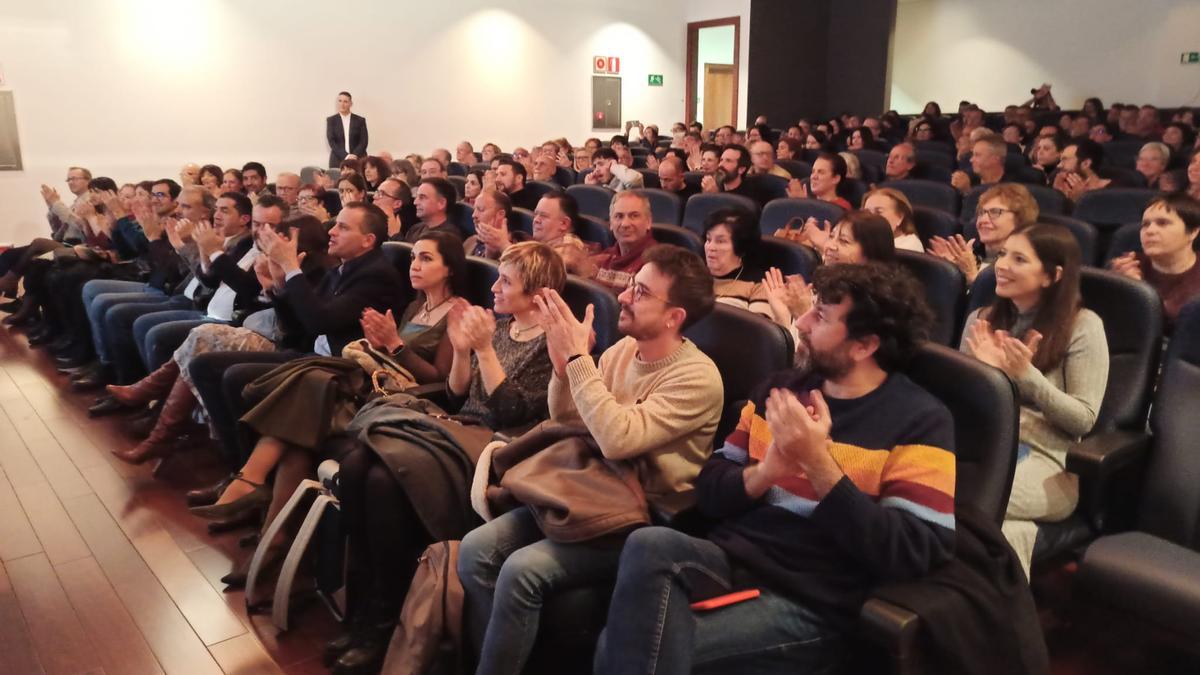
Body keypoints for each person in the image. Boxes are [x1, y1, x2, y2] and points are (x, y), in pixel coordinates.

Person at [594, 261, 954, 675]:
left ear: (864, 345)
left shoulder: (920, 421)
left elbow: (913, 550)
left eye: (820, 316)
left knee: (617, 649)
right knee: (649, 544)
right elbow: (710, 487)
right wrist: (766, 471)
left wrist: (817, 462)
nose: (799, 322)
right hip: (734, 560)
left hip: (815, 596)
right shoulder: (782, 390)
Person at [459, 244, 723, 675]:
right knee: (475, 551)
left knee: (521, 571)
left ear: (674, 317)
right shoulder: (624, 351)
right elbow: (568, 417)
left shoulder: (696, 378)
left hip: (639, 518)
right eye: (632, 286)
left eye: (640, 292)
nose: (622, 295)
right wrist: (564, 368)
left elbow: (618, 438)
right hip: (590, 488)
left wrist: (579, 359)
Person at [326, 242, 566, 674]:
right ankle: (365, 604)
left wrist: (485, 350)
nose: (494, 287)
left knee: (382, 480)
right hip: (458, 429)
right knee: (358, 463)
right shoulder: (499, 326)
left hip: (496, 449)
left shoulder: (553, 341)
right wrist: (460, 349)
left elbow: (511, 412)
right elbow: (457, 393)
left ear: (536, 293)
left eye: (506, 281)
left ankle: (384, 619)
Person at [961, 224, 1108, 576]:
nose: (1001, 265)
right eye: (1002, 255)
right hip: (980, 447)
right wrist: (982, 376)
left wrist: (1026, 377)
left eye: (1019, 258)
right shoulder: (980, 321)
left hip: (1047, 464)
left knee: (953, 494)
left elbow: (1083, 419)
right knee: (1003, 533)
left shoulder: (1083, 326)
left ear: (1051, 275)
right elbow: (957, 403)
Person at [1109, 194, 1200, 333]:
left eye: (1162, 223)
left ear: (1193, 232)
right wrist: (1119, 288)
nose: (1150, 231)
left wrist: (1139, 293)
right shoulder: (1126, 267)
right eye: (1145, 225)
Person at [931, 183, 1039, 284]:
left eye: (995, 212)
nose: (983, 220)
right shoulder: (971, 256)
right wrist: (952, 272)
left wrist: (972, 276)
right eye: (982, 213)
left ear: (1020, 219)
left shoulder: (1022, 264)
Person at [702, 208, 771, 317]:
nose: (710, 247)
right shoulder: (693, 274)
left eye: (720, 241)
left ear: (741, 246)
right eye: (708, 239)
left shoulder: (759, 285)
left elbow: (759, 331)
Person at [589, 191, 657, 291]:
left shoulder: (656, 263)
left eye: (634, 216)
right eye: (619, 216)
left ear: (648, 221)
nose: (625, 224)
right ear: (611, 223)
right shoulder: (604, 257)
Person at [863, 188, 924, 252]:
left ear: (900, 217)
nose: (870, 217)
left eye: (879, 212)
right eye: (866, 212)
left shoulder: (909, 247)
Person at [403, 177, 462, 243]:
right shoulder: (415, 229)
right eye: (417, 197)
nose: (415, 202)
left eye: (422, 197)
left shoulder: (447, 236)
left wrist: (395, 234)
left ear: (441, 203)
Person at [787, 152, 853, 210]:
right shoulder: (810, 202)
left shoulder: (842, 207)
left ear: (836, 179)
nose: (813, 177)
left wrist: (804, 204)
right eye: (813, 172)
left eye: (821, 172)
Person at [326, 91, 368, 168]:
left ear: (350, 104)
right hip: (338, 160)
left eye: (345, 101)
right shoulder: (331, 120)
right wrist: (346, 156)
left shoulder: (360, 120)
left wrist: (354, 155)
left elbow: (364, 141)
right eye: (340, 101)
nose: (342, 104)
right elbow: (332, 141)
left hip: (358, 159)